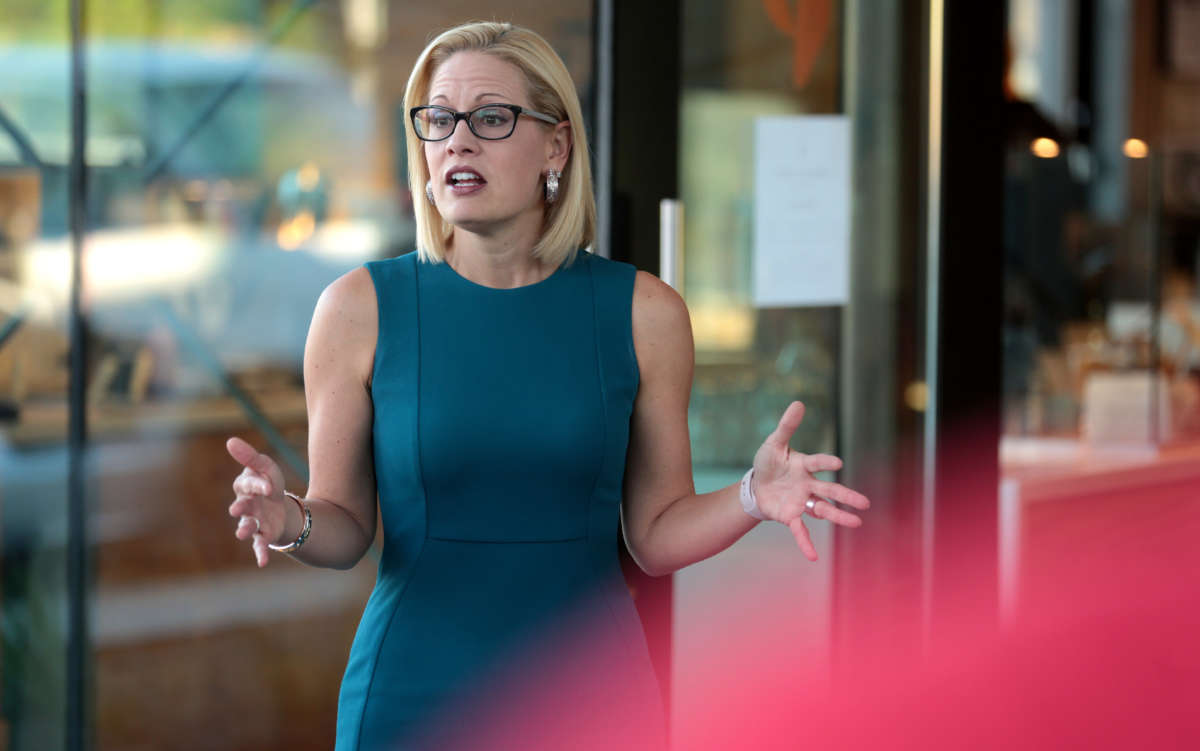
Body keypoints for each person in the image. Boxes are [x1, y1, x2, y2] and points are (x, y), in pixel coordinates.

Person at [224, 21, 870, 751]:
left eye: (491, 118)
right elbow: (344, 524)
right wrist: (289, 519)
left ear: (556, 146)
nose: (457, 141)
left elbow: (654, 534)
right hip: (415, 695)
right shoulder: (356, 310)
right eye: (438, 120)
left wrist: (752, 496)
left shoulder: (646, 313)